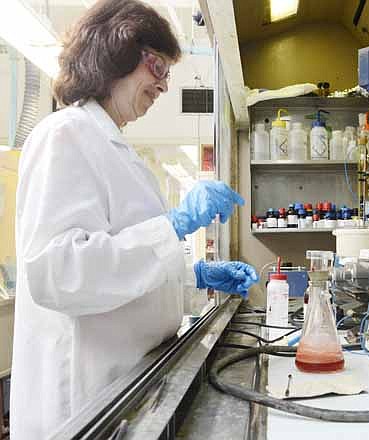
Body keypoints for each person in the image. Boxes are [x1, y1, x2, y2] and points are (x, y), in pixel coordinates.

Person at [9, 1, 258, 438]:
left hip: (127, 389)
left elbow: (126, 267)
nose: (163, 86)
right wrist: (175, 224)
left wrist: (192, 276)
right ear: (117, 51)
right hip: (86, 402)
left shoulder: (119, 152)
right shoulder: (65, 134)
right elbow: (59, 272)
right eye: (157, 67)